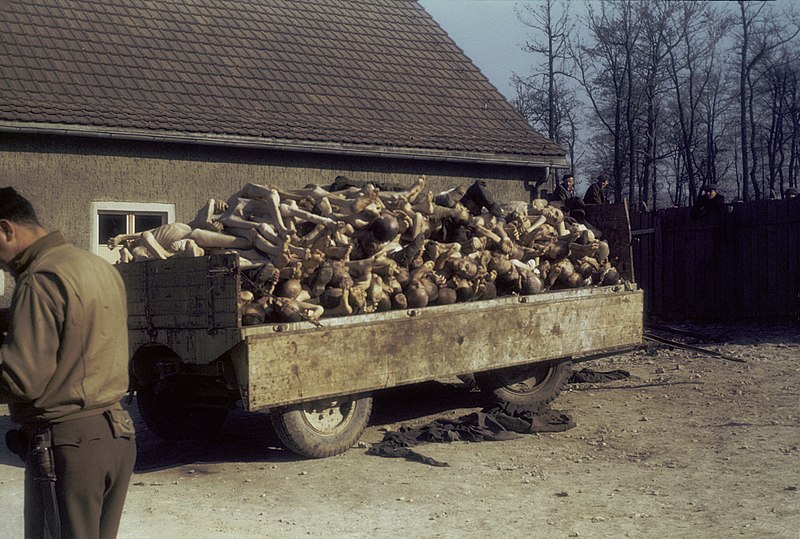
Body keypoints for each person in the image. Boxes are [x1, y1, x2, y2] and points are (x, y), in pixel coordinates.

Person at [0, 187, 136, 539]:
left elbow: (21, 379)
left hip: (69, 446)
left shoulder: (40, 279)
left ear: (5, 229)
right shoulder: (94, 265)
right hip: (116, 435)